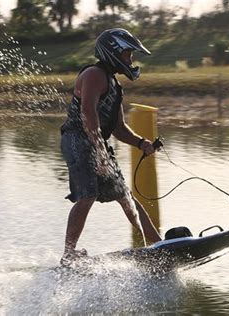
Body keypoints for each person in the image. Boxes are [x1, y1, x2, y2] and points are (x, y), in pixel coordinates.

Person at [60, 28, 162, 264]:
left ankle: (157, 245)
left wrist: (141, 143)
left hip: (96, 142)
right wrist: (98, 150)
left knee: (126, 196)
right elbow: (87, 112)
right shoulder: (94, 74)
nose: (131, 60)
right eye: (128, 54)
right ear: (113, 52)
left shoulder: (114, 86)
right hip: (77, 138)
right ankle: (69, 254)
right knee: (88, 194)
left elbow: (118, 128)